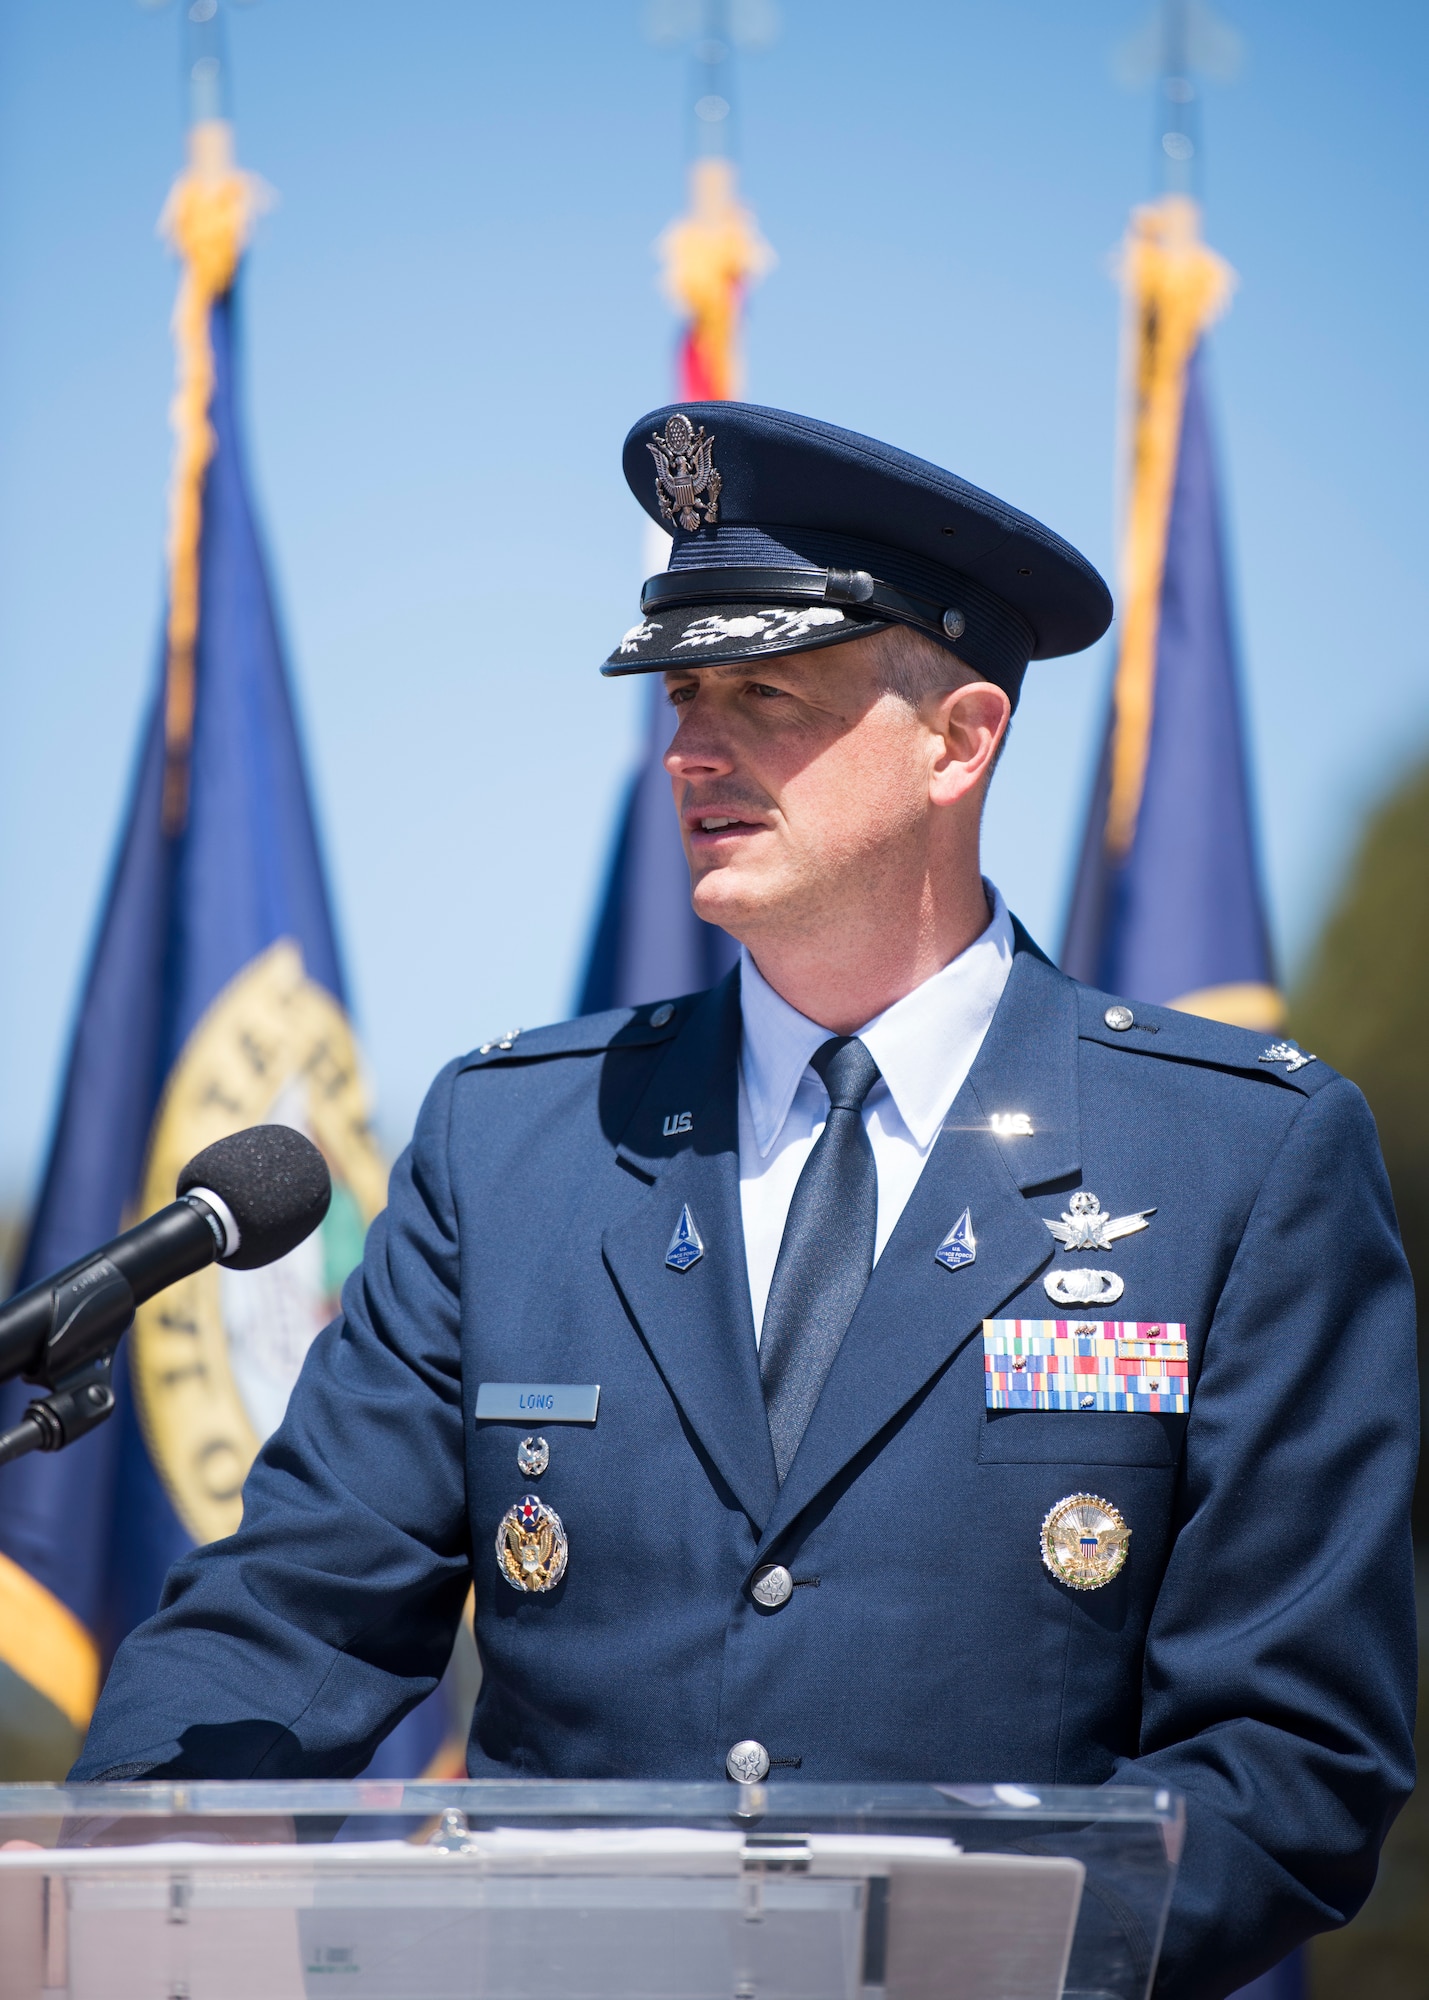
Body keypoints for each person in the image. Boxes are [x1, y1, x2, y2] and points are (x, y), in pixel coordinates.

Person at [75, 404, 1417, 1998]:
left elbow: (1291, 1760)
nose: (691, 749)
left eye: (764, 694)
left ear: (959, 739)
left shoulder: (1235, 1160)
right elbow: (289, 1614)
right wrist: (116, 1868)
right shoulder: (513, 1144)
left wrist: (918, 1958)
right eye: (682, 695)